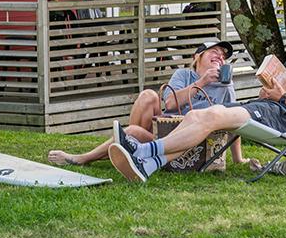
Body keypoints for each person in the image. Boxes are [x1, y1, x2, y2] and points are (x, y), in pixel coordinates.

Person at [108, 1, 286, 182]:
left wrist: (283, 98)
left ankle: (142, 151)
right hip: (268, 109)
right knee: (198, 116)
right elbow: (282, 93)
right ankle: (148, 165)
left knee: (213, 116)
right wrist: (270, 92)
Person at [47, 39, 248, 165]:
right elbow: (169, 104)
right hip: (166, 133)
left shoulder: (225, 86)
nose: (220, 57)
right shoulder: (185, 74)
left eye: (223, 56)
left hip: (192, 144)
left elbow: (232, 121)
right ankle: (131, 151)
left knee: (133, 132)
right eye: (215, 52)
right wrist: (202, 82)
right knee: (148, 96)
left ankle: (84, 158)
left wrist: (238, 159)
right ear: (198, 56)